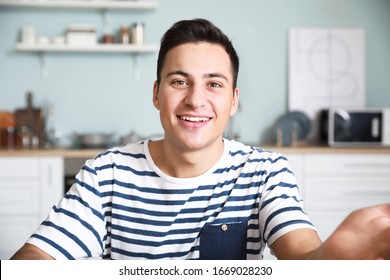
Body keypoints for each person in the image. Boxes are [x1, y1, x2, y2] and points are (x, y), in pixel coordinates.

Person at [11, 18, 390, 260]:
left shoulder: (266, 170)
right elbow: (38, 258)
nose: (196, 99)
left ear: (233, 100)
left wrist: (334, 262)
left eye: (214, 84)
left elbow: (303, 254)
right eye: (180, 82)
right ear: (157, 94)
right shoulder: (105, 173)